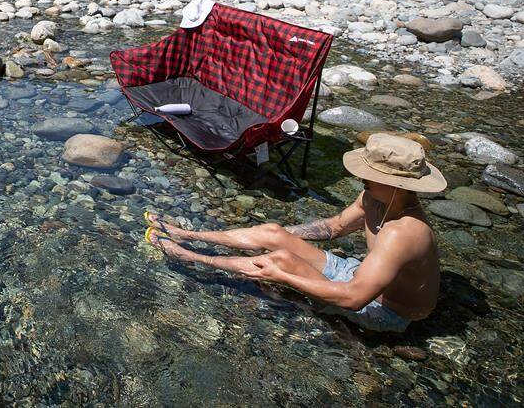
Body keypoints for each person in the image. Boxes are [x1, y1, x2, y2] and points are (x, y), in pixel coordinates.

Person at [144, 133, 444, 333]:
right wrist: (275, 233)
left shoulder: (404, 233)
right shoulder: (375, 198)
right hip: (359, 274)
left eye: (369, 175)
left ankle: (187, 255)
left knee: (281, 261)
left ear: (397, 185)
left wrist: (285, 277)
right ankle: (186, 234)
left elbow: (355, 299)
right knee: (275, 235)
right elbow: (334, 227)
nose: (360, 177)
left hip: (383, 309)